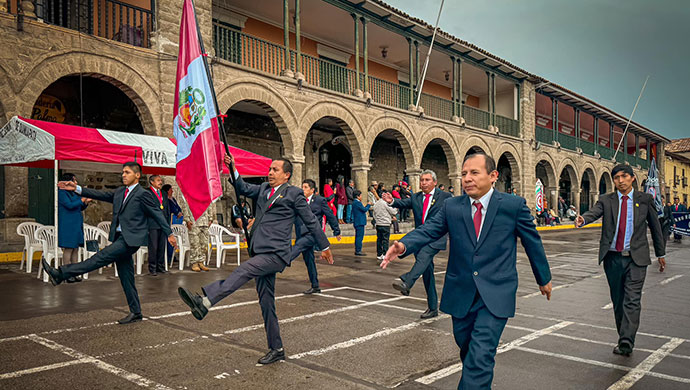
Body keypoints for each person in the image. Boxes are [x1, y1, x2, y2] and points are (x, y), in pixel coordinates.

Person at [382, 152, 552, 389]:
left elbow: (532, 241)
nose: (467, 179)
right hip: (461, 292)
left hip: (495, 294)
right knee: (469, 351)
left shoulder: (513, 206)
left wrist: (543, 278)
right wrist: (403, 245)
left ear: (492, 176)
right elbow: (429, 229)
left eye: (474, 173)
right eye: (463, 174)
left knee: (480, 356)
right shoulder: (452, 206)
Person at [178, 153, 333, 365]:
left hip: (276, 253)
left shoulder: (294, 194)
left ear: (287, 175)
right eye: (270, 169)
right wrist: (232, 167)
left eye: (275, 170)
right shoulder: (262, 190)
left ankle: (206, 301)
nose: (270, 173)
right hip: (260, 250)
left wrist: (324, 245)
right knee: (266, 304)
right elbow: (241, 187)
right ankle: (276, 348)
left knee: (243, 271)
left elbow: (311, 222)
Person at [42, 162, 177, 324]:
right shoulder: (120, 192)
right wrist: (77, 189)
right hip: (120, 237)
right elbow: (101, 194)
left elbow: (157, 213)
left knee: (99, 258)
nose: (123, 175)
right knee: (126, 277)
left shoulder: (143, 194)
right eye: (123, 172)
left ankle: (61, 274)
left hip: (130, 240)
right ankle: (136, 312)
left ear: (137, 175)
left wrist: (169, 233)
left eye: (127, 172)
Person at [575, 164, 665, 357]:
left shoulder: (645, 199)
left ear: (633, 178)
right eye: (616, 177)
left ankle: (626, 341)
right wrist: (584, 219)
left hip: (636, 258)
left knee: (632, 300)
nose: (620, 180)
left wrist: (661, 253)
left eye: (624, 176)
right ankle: (623, 334)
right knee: (618, 301)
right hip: (613, 258)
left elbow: (656, 227)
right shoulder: (606, 200)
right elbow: (594, 212)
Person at [382, 169, 452, 319]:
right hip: (420, 238)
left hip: (436, 238)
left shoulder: (445, 197)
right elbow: (403, 203)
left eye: (427, 180)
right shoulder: (416, 197)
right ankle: (433, 308)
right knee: (427, 272)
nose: (424, 183)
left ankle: (407, 281)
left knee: (424, 256)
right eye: (422, 180)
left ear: (434, 182)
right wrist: (392, 201)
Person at [289, 179, 341, 294]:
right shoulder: (298, 201)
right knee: (309, 261)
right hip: (300, 233)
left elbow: (330, 215)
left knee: (297, 247)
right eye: (302, 186)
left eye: (306, 187)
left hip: (312, 234)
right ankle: (315, 285)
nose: (303, 189)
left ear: (312, 190)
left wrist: (336, 231)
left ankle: (283, 261)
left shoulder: (319, 200)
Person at [57, 173, 91, 283]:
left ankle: (75, 273)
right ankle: (66, 273)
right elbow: (69, 205)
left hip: (76, 223)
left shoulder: (73, 193)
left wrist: (85, 202)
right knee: (68, 248)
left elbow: (79, 207)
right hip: (67, 224)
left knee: (76, 248)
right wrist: (81, 200)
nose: (76, 183)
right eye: (74, 180)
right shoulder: (62, 193)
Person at [146, 175, 170, 275]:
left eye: (161, 180)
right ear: (152, 182)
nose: (160, 182)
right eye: (158, 180)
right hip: (153, 223)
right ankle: (152, 268)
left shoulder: (163, 193)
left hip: (163, 223)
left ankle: (160, 266)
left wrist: (168, 223)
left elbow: (167, 208)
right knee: (153, 247)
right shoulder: (147, 193)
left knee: (161, 246)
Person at [180, 199, 211, 272]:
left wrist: (210, 218)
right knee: (195, 243)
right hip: (194, 221)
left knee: (204, 243)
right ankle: (194, 263)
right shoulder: (190, 192)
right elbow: (185, 204)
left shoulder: (204, 193)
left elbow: (209, 204)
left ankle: (201, 262)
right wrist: (187, 219)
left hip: (204, 222)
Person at [373, 191, 398, 261]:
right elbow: (393, 212)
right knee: (385, 240)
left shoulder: (376, 203)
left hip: (378, 224)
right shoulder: (385, 203)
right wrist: (396, 207)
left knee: (379, 239)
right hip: (385, 224)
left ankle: (379, 254)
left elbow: (374, 214)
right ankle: (385, 254)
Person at [163, 184, 183, 265]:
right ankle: (169, 257)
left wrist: (179, 212)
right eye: (171, 189)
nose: (172, 191)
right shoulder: (166, 200)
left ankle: (172, 256)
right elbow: (173, 209)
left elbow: (178, 208)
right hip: (170, 221)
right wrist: (177, 212)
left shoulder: (173, 199)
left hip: (177, 221)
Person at [351, 190, 371, 257]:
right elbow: (364, 209)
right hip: (359, 222)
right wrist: (368, 205)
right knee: (359, 237)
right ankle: (358, 250)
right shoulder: (357, 203)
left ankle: (358, 249)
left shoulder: (355, 203)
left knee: (358, 237)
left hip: (358, 221)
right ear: (357, 196)